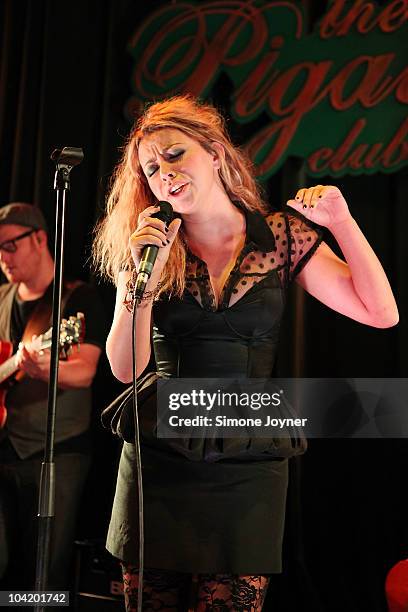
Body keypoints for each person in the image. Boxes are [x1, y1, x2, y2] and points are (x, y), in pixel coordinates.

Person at [93, 95, 398, 611]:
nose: (163, 174)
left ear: (214, 153)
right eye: (150, 168)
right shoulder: (148, 247)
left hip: (249, 454)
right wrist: (139, 284)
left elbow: (380, 313)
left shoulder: (279, 235)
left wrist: (342, 223)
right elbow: (127, 369)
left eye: (174, 155)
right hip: (159, 459)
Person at [0, 202, 107, 591]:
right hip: (3, 447)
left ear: (40, 238)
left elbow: (85, 370)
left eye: (10, 245)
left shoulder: (78, 299)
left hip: (54, 452)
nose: (3, 257)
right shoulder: (1, 297)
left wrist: (45, 369)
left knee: (43, 574)